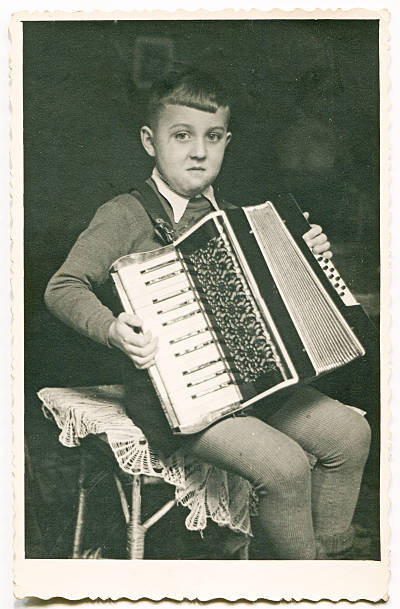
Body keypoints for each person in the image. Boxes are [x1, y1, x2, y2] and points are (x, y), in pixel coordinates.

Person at [45, 67, 371, 560]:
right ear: (149, 141)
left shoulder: (238, 221)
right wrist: (113, 328)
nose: (199, 151)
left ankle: (324, 567)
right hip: (174, 400)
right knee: (283, 465)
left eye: (213, 137)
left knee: (351, 434)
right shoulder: (125, 214)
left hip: (256, 385)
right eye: (182, 135)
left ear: (226, 141)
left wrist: (307, 257)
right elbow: (62, 286)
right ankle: (305, 585)